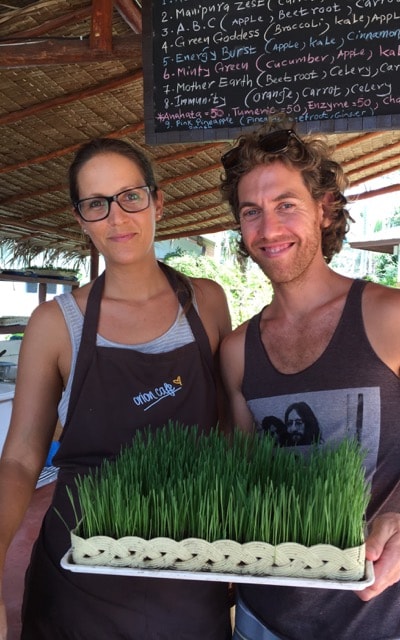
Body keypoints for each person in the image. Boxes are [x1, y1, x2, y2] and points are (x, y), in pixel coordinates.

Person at [219, 116, 400, 640]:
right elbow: (246, 475)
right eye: (252, 212)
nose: (268, 229)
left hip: (374, 621)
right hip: (259, 620)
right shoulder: (237, 350)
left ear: (324, 208)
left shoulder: (394, 318)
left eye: (286, 205)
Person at [0, 138, 233, 640]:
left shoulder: (207, 304)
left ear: (157, 201)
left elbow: (228, 433)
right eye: (96, 204)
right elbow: (20, 460)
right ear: (81, 219)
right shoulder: (56, 324)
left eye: (131, 196)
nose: (117, 217)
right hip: (78, 577)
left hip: (187, 563)